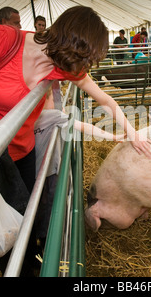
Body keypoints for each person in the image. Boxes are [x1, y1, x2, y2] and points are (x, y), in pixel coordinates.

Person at [0, 5, 151, 195]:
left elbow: (105, 100)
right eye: (85, 59)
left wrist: (133, 134)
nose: (84, 68)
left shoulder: (66, 65)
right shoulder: (2, 39)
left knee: (24, 212)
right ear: (72, 45)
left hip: (22, 150)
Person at [33, 86, 125, 253]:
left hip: (30, 172)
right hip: (48, 173)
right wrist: (112, 136)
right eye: (55, 98)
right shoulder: (53, 116)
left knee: (35, 208)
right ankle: (51, 246)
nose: (59, 104)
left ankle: (38, 242)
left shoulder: (23, 118)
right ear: (45, 100)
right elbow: (83, 127)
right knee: (50, 208)